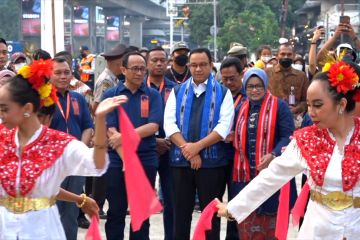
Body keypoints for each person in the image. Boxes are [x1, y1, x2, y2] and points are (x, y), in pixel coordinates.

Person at [217, 60, 360, 239]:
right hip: (318, 229)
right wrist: (233, 208)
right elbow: (272, 176)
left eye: (317, 105)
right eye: (308, 105)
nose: (311, 112)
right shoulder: (306, 140)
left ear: (341, 104)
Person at [0, 59, 126, 239]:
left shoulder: (57, 143)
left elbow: (97, 164)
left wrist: (99, 120)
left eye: (5, 109)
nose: (1, 115)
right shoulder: (3, 139)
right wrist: (79, 199)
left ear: (27, 108)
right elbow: (27, 186)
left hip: (40, 230)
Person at [164, 48, 234, 240]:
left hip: (212, 164)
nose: (198, 69)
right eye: (194, 65)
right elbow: (169, 124)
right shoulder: (177, 92)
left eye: (203, 64)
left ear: (211, 65)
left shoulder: (223, 92)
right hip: (181, 162)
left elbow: (224, 127)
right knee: (181, 215)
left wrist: (198, 147)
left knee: (210, 216)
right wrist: (190, 151)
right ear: (188, 66)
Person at [102, 52, 162, 240]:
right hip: (116, 160)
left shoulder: (152, 94)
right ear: (123, 70)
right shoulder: (111, 95)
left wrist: (125, 136)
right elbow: (110, 130)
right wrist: (126, 155)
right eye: (134, 69)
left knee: (141, 212)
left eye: (142, 69)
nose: (139, 73)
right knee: (116, 210)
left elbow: (153, 126)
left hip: (145, 158)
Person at [230, 68, 296, 239]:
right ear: (245, 87)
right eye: (250, 86)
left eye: (258, 86)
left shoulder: (279, 106)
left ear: (266, 85)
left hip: (272, 175)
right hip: (245, 175)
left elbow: (289, 136)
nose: (254, 90)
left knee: (271, 227)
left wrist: (274, 154)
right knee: (246, 223)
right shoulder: (240, 107)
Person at [49, 56, 94, 236]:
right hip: (53, 164)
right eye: (58, 72)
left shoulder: (78, 98)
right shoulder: (42, 100)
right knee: (51, 209)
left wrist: (79, 151)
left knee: (72, 211)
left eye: (66, 72)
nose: (63, 76)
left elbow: (87, 126)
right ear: (49, 75)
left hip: (75, 164)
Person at [92, 43, 127, 219]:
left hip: (112, 129)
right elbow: (97, 107)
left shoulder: (115, 78)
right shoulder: (106, 80)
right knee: (101, 173)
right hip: (105, 131)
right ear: (118, 62)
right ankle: (97, 205)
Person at [145, 47, 175, 240]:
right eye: (154, 60)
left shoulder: (176, 88)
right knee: (144, 201)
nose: (158, 64)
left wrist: (168, 140)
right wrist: (152, 140)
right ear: (147, 63)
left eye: (162, 60)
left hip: (171, 149)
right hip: (146, 149)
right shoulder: (139, 89)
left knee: (172, 201)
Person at [219, 57, 245, 240]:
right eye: (224, 79)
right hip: (218, 156)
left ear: (241, 75)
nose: (228, 83)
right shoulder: (218, 94)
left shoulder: (250, 96)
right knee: (215, 204)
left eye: (232, 78)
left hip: (239, 159)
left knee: (237, 203)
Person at [265, 44, 310, 128]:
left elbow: (306, 101)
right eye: (282, 54)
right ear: (277, 56)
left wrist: (295, 109)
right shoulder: (267, 73)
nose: (286, 56)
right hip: (272, 119)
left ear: (293, 56)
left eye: (289, 54)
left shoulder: (301, 76)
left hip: (293, 122)